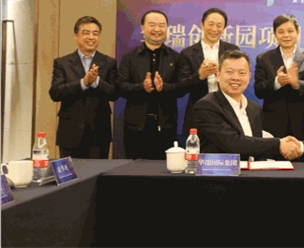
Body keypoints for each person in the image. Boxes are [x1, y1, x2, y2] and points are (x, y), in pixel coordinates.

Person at [193, 50, 300, 160]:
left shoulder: (254, 108)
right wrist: (279, 144)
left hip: (252, 170)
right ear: (218, 75)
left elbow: (257, 148)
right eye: (229, 72)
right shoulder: (206, 106)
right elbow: (233, 143)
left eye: (242, 73)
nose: (236, 77)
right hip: (220, 170)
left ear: (249, 77)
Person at [49, 16, 119, 159]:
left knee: (98, 172)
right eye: (86, 33)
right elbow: (55, 93)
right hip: (70, 132)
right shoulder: (62, 63)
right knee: (71, 172)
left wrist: (96, 82)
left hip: (99, 131)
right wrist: (83, 82)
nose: (91, 37)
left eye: (95, 33)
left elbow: (114, 93)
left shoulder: (109, 62)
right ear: (76, 36)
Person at [117, 10, 183, 160]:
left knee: (164, 170)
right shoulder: (129, 57)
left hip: (166, 127)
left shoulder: (175, 57)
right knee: (134, 168)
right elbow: (120, 86)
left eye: (162, 25)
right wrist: (142, 87)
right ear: (142, 28)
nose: (157, 29)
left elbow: (182, 88)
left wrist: (164, 87)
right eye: (152, 25)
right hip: (136, 127)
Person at [254, 14, 304, 141]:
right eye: (281, 32)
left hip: (302, 123)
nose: (286, 35)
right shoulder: (264, 58)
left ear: (298, 32)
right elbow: (259, 90)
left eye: (290, 31)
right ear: (275, 34)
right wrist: (277, 82)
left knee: (302, 154)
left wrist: (297, 83)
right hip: (273, 123)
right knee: (273, 154)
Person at [178, 8, 239, 138]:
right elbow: (181, 87)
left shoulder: (232, 51)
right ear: (202, 24)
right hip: (198, 108)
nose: (214, 29)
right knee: (197, 147)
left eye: (219, 25)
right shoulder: (188, 53)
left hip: (227, 109)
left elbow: (239, 78)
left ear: (224, 28)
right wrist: (200, 75)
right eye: (211, 24)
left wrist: (222, 74)